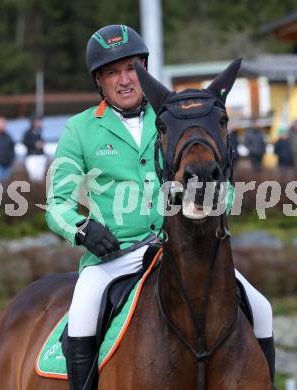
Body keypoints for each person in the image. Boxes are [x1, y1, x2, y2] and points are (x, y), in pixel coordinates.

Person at [46, 25, 276, 390]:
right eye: (112, 72)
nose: (124, 80)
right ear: (99, 81)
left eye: (132, 68)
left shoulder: (176, 118)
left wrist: (210, 200)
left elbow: (225, 189)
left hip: (182, 253)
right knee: (83, 313)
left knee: (260, 308)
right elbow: (57, 203)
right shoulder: (80, 130)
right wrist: (82, 228)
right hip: (113, 258)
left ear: (145, 70)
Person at [23, 114, 47, 181]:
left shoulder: (40, 131)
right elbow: (25, 142)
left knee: (40, 177)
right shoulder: (28, 132)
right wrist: (35, 144)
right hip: (32, 156)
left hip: (40, 156)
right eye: (38, 121)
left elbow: (42, 141)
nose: (40, 123)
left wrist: (42, 144)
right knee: (33, 177)